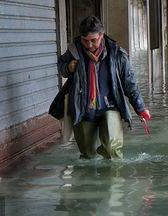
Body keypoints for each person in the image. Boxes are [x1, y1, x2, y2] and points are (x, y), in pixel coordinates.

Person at [57, 16, 151, 160]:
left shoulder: (117, 54)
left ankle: (113, 180)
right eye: (85, 41)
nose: (89, 45)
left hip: (110, 106)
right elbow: (61, 68)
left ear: (101, 36)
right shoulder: (73, 51)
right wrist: (68, 68)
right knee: (88, 155)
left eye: (93, 40)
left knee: (112, 150)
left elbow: (130, 83)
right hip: (83, 108)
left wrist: (140, 108)